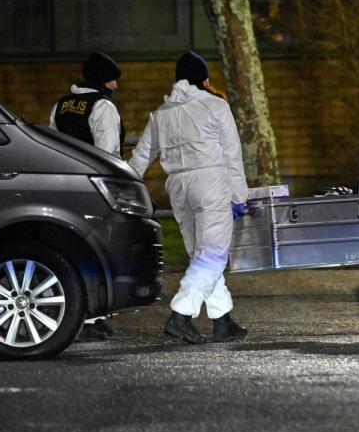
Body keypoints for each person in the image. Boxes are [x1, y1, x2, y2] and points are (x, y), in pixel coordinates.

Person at [129, 51, 249, 344]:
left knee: (202, 255)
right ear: (203, 79)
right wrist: (239, 196)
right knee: (213, 254)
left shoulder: (162, 113)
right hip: (211, 181)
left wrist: (125, 186)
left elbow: (141, 156)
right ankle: (181, 316)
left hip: (178, 187)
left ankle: (223, 320)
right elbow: (233, 154)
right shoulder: (215, 106)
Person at [50, 51, 125, 341]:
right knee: (97, 252)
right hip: (94, 189)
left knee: (70, 249)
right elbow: (108, 153)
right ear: (102, 81)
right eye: (112, 81)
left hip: (64, 187)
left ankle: (75, 315)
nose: (115, 87)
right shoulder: (102, 107)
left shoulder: (62, 105)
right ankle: (92, 318)